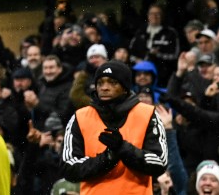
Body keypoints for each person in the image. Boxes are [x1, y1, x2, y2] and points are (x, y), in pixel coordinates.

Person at [62, 60, 169, 193]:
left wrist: (123, 148)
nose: (104, 87)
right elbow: (69, 168)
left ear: (125, 87)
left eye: (112, 82)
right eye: (100, 83)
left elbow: (159, 163)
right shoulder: (79, 117)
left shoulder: (148, 114)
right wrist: (107, 158)